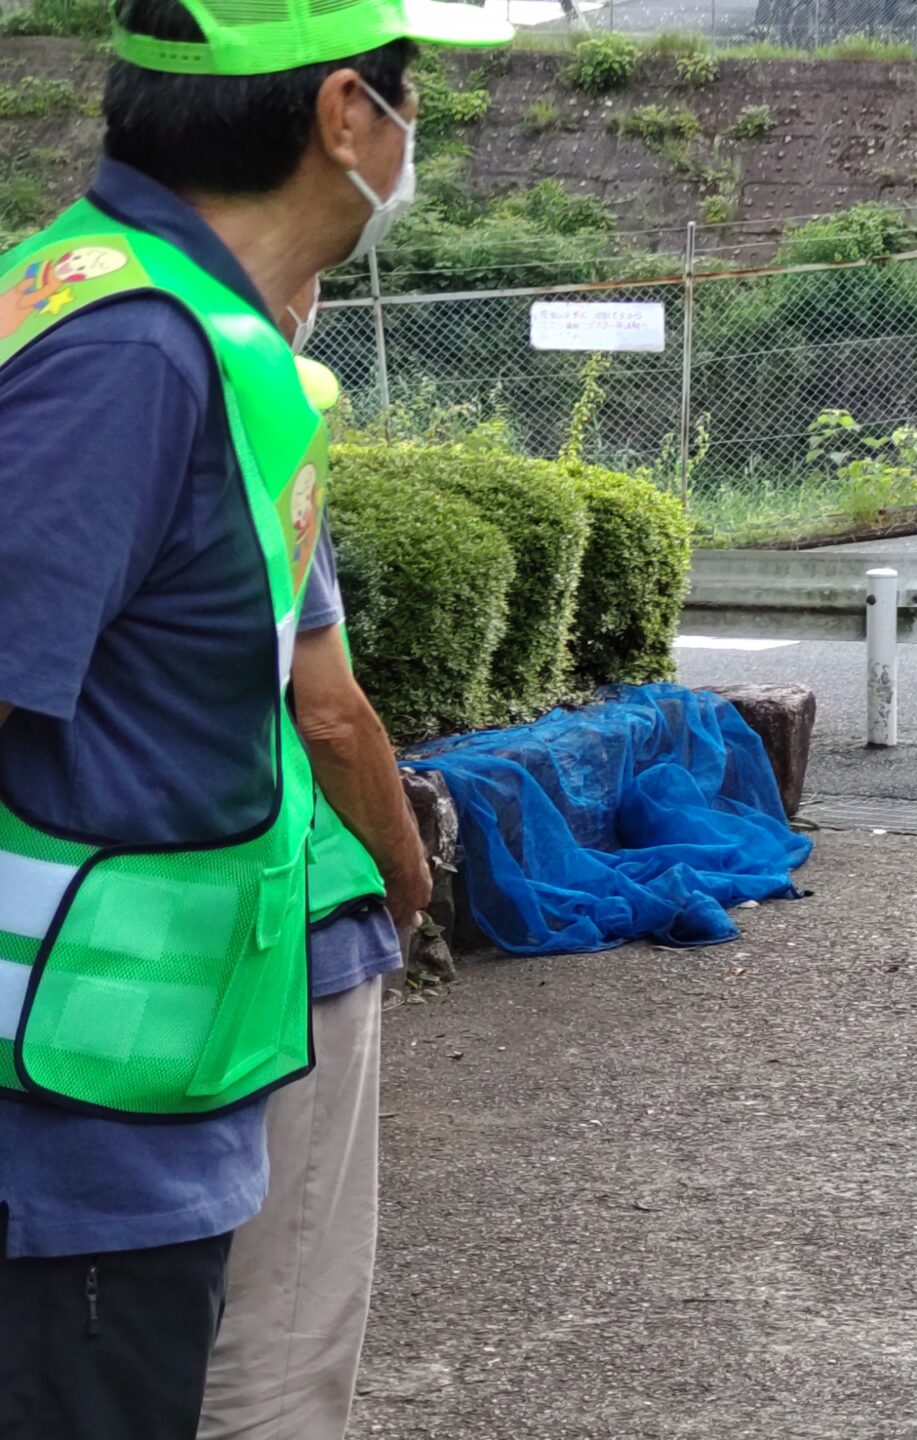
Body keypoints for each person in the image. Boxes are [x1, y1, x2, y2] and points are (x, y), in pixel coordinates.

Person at [0, 0, 507, 1433]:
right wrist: (408, 870)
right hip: (78, 1134)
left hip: (130, 1083)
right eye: (409, 100)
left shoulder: (122, 303)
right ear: (344, 114)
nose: (414, 138)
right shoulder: (137, 352)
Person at [199, 317, 437, 1438]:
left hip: (70, 957)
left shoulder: (39, 354)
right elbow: (327, 710)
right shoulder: (255, 406)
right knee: (279, 1315)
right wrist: (407, 869)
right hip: (283, 910)